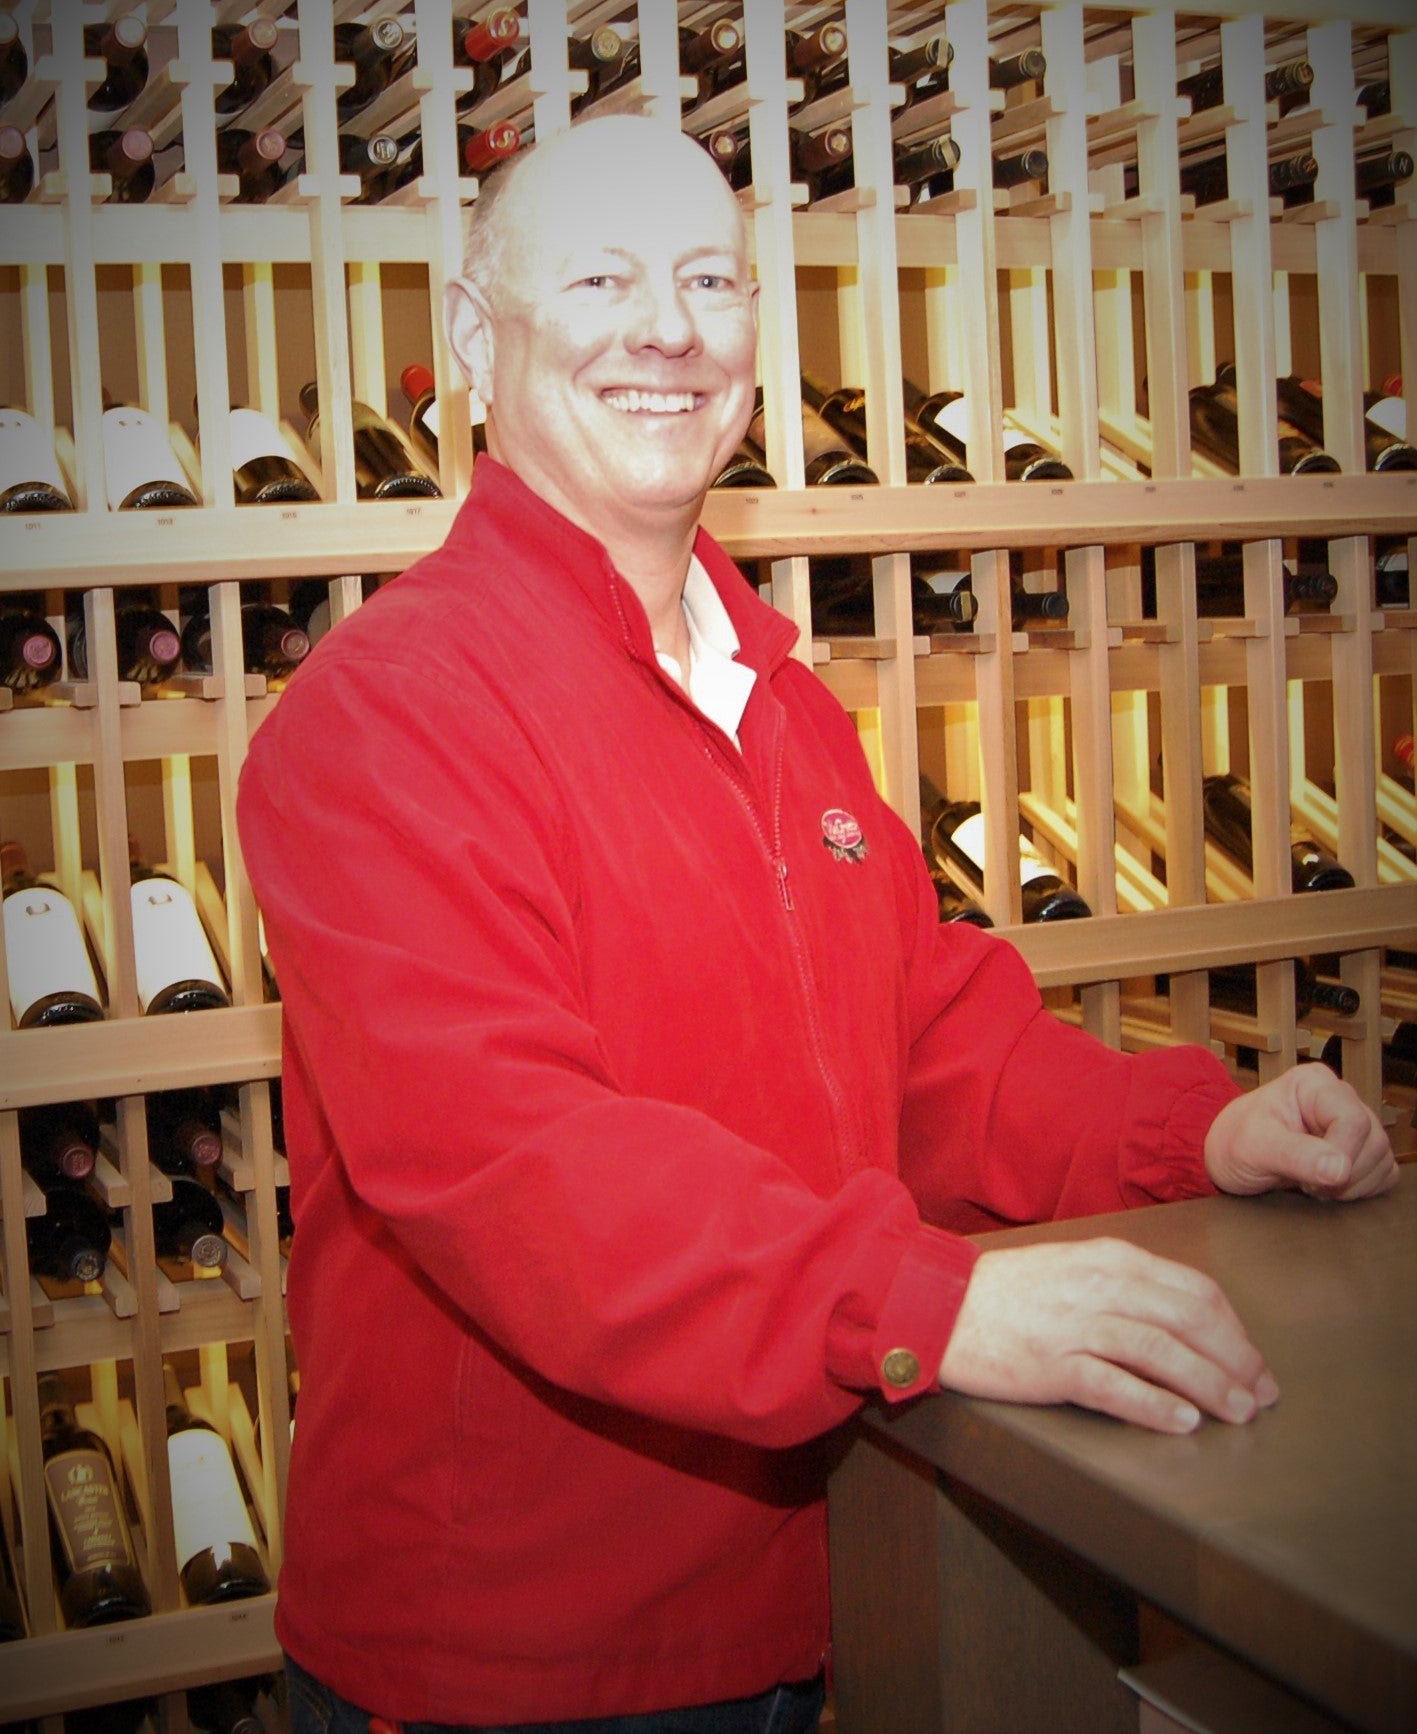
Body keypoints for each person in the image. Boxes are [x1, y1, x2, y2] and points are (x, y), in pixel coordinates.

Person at [237, 113, 1399, 1734]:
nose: (669, 327)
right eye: (602, 275)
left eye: (711, 278)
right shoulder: (382, 720)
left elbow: (920, 1043)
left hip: (823, 1583)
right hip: (524, 1666)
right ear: (470, 339)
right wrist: (934, 1304)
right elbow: (517, 1165)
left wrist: (1192, 1132)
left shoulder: (782, 699)